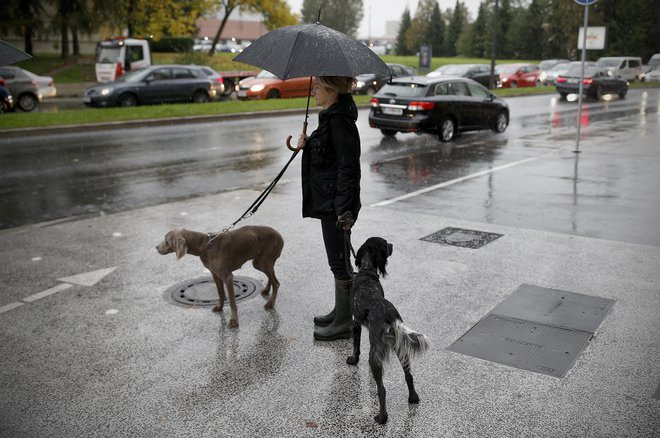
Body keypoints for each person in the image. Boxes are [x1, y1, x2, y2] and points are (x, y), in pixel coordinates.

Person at [297, 76, 361, 341]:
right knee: (338, 260)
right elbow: (328, 155)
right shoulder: (331, 116)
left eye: (318, 87)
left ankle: (345, 322)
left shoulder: (339, 121)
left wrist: (343, 209)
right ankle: (341, 312)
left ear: (331, 90)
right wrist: (306, 143)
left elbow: (349, 166)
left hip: (336, 205)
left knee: (339, 261)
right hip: (329, 200)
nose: (314, 91)